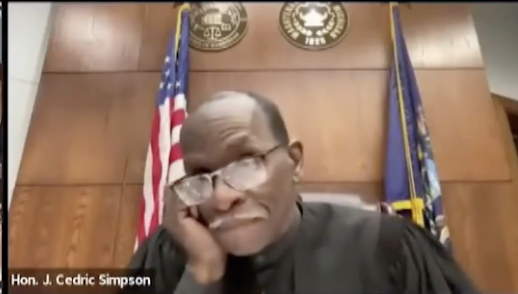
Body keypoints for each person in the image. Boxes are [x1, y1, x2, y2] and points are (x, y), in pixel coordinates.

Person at [125, 91, 479, 294]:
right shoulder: (167, 252)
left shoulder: (385, 247)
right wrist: (202, 274)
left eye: (247, 163)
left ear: (294, 162)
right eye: (201, 177)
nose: (221, 198)